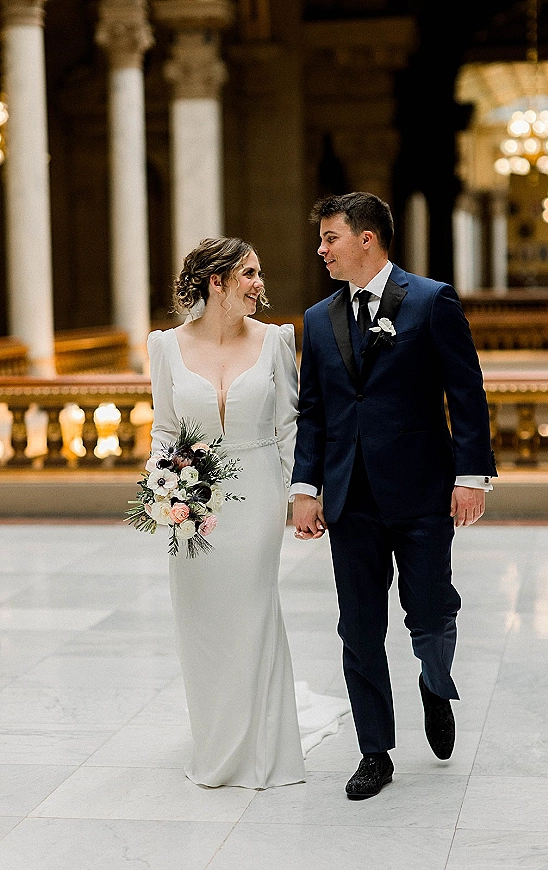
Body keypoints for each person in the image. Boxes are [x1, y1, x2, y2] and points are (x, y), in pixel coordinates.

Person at [290, 192, 497, 800]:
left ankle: (435, 683)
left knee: (431, 613)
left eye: (330, 237)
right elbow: (313, 413)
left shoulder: (432, 302)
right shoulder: (318, 319)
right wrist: (306, 489)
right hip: (350, 498)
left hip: (422, 491)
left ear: (367, 239)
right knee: (358, 629)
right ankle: (374, 751)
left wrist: (470, 476)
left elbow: (467, 393)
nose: (321, 250)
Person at [147, 237, 347, 789]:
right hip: (191, 495)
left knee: (253, 610)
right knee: (201, 619)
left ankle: (261, 745)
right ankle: (215, 737)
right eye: (250, 274)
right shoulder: (164, 346)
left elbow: (290, 426)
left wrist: (304, 495)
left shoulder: (277, 341)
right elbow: (164, 428)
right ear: (218, 282)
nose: (261, 284)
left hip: (257, 490)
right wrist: (164, 491)